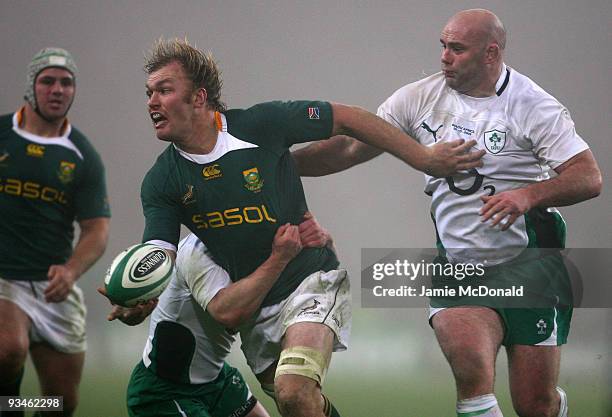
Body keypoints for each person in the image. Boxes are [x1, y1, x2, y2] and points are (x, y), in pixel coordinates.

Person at [138, 38, 483, 417]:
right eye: (150, 92)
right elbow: (158, 254)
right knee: (298, 405)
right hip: (256, 307)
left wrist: (423, 157)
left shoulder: (260, 124)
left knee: (294, 389)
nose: (152, 101)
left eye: (164, 90)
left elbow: (348, 118)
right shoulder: (162, 181)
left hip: (309, 280)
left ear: (199, 98)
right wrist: (137, 299)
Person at [292, 9, 602, 417]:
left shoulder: (533, 105)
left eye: (457, 48)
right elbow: (350, 148)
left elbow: (588, 177)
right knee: (471, 379)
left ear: (491, 53)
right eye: (443, 45)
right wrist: (282, 165)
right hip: (460, 267)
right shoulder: (418, 98)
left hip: (532, 266)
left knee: (535, 405)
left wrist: (527, 196)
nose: (444, 56)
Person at [102, 213, 332, 417]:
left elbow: (322, 282)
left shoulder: (273, 247)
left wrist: (325, 243)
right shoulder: (197, 251)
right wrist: (134, 299)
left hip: (217, 382)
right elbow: (229, 312)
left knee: (305, 403)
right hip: (164, 391)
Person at [0, 48, 111, 417]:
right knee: (8, 349)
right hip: (4, 278)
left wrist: (71, 270)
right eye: (48, 80)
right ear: (31, 87)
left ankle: (10, 407)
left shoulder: (82, 155)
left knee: (60, 403)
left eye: (66, 83)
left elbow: (96, 229)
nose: (58, 89)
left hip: (52, 285)